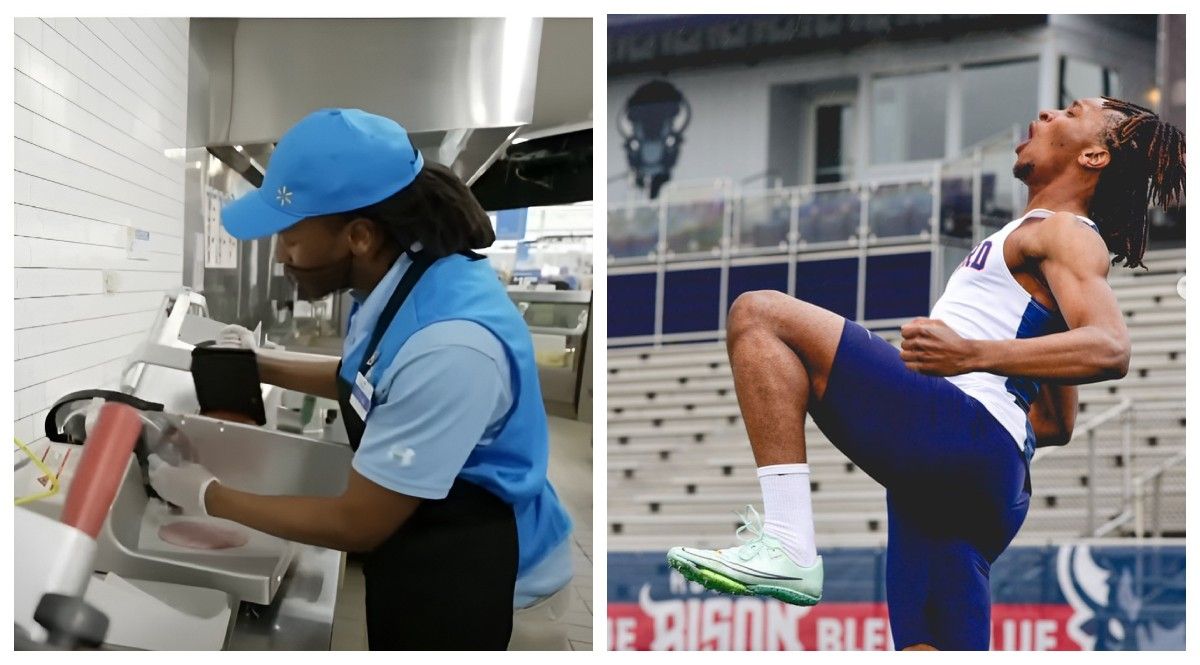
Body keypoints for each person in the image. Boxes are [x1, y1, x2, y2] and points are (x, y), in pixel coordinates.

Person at [666, 97, 1185, 650]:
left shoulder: (1064, 232)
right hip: (982, 486)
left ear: (1094, 155)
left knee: (758, 314)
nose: (1045, 115)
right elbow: (1055, 423)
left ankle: (789, 540)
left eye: (1070, 112)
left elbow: (1110, 348)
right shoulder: (1044, 239)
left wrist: (971, 355)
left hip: (966, 436)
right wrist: (994, 370)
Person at [147, 108, 574, 650]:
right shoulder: (410, 282)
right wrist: (260, 363)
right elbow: (372, 382)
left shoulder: (451, 347)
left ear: (360, 236)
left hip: (491, 582)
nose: (281, 254)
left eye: (292, 237)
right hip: (425, 544)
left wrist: (205, 493)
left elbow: (357, 523)